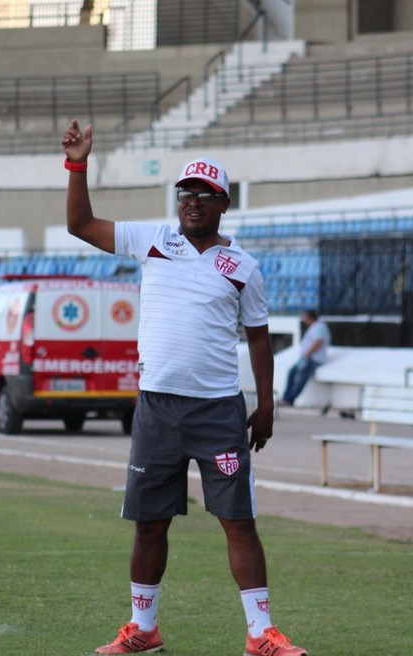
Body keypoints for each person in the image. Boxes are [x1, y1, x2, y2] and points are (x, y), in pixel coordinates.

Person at [61, 120, 307, 656]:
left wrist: (266, 406)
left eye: (205, 195)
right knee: (149, 524)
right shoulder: (154, 240)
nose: (193, 202)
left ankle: (261, 633)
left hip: (218, 410)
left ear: (224, 205)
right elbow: (79, 224)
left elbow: (259, 340)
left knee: (238, 521)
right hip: (157, 407)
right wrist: (78, 164)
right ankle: (143, 628)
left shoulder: (243, 266)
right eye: (186, 193)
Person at [279, 309, 330, 407]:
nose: (304, 320)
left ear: (310, 317)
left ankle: (288, 400)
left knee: (301, 378)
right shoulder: (314, 327)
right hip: (307, 357)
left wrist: (308, 353)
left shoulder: (320, 327)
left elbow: (319, 341)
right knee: (292, 373)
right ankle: (286, 398)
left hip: (312, 359)